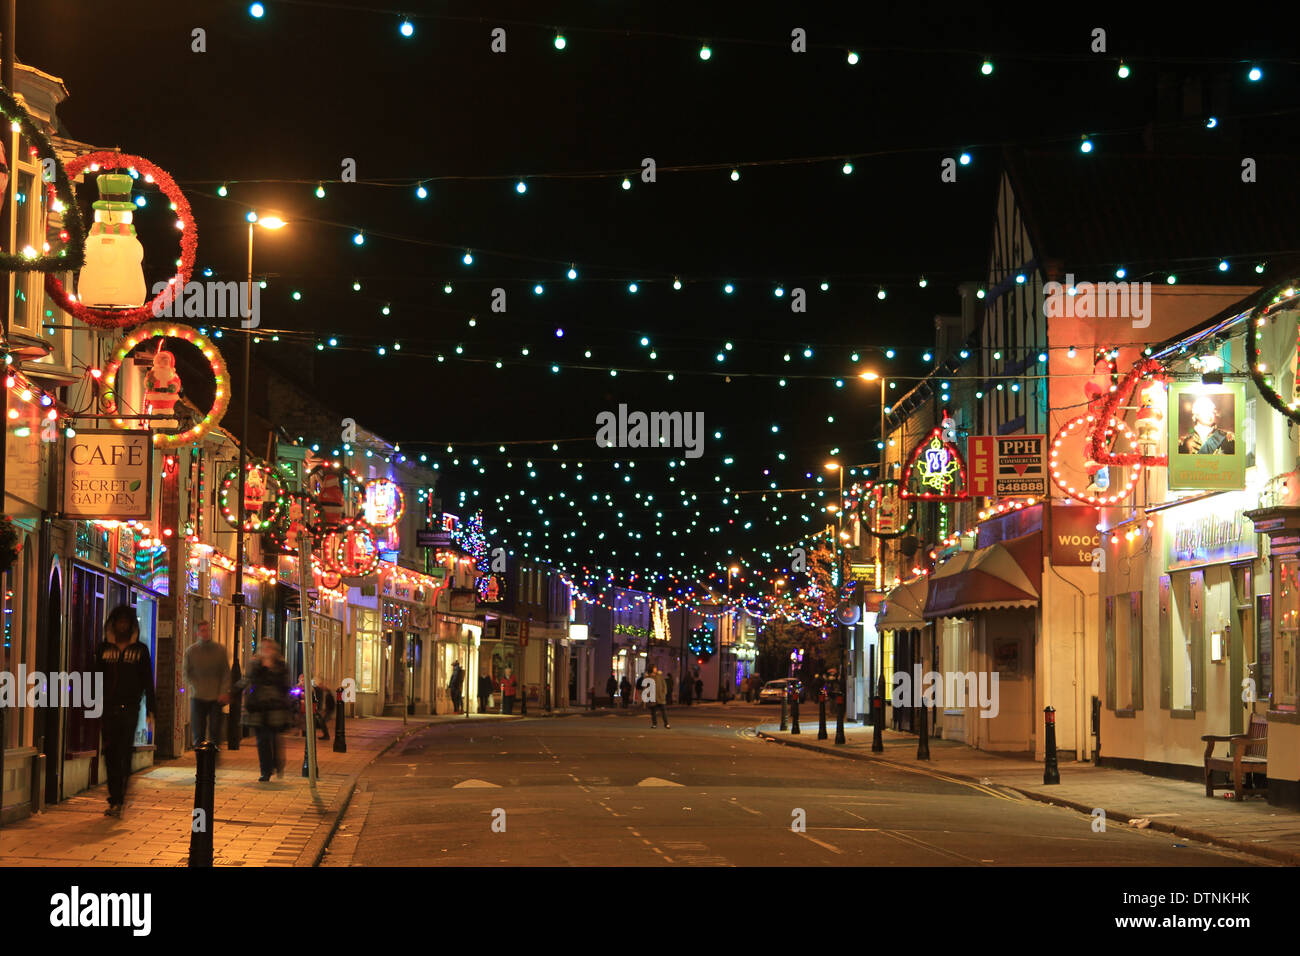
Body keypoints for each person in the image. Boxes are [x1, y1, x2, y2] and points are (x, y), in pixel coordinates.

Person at [93, 606, 155, 817]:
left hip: (130, 708)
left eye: (125, 622)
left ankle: (120, 798)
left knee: (124, 753)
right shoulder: (103, 649)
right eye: (119, 622)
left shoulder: (140, 651)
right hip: (108, 708)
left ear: (131, 625)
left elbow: (148, 679)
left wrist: (151, 709)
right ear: (113, 624)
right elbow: (95, 678)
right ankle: (114, 798)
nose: (122, 626)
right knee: (110, 753)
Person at [241, 639, 291, 781]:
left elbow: (285, 685)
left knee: (275, 738)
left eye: (270, 648)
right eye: (264, 648)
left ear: (275, 650)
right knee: (262, 740)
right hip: (258, 708)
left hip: (276, 708)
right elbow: (248, 680)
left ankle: (277, 763)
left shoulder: (281, 665)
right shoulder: (255, 665)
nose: (267, 650)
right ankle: (265, 771)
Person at [183, 620, 229, 752]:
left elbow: (225, 672)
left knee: (215, 731)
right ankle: (200, 761)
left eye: (207, 630)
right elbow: (186, 672)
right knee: (199, 731)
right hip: (198, 696)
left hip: (216, 697)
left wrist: (223, 691)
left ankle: (213, 759)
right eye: (202, 631)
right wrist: (194, 686)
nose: (206, 633)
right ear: (197, 633)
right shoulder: (191, 651)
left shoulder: (219, 650)